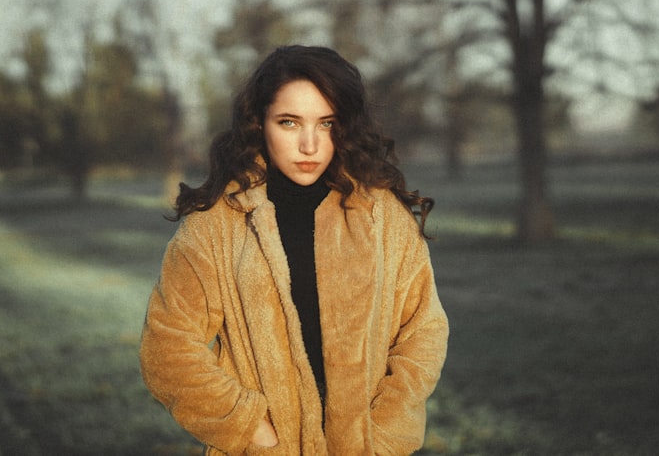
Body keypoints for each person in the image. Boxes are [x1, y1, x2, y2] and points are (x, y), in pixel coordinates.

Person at [139, 45, 448, 455]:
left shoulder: (381, 216)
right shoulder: (215, 227)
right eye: (289, 122)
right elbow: (168, 345)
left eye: (327, 124)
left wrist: (385, 433)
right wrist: (250, 429)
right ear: (259, 123)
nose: (310, 145)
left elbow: (422, 331)